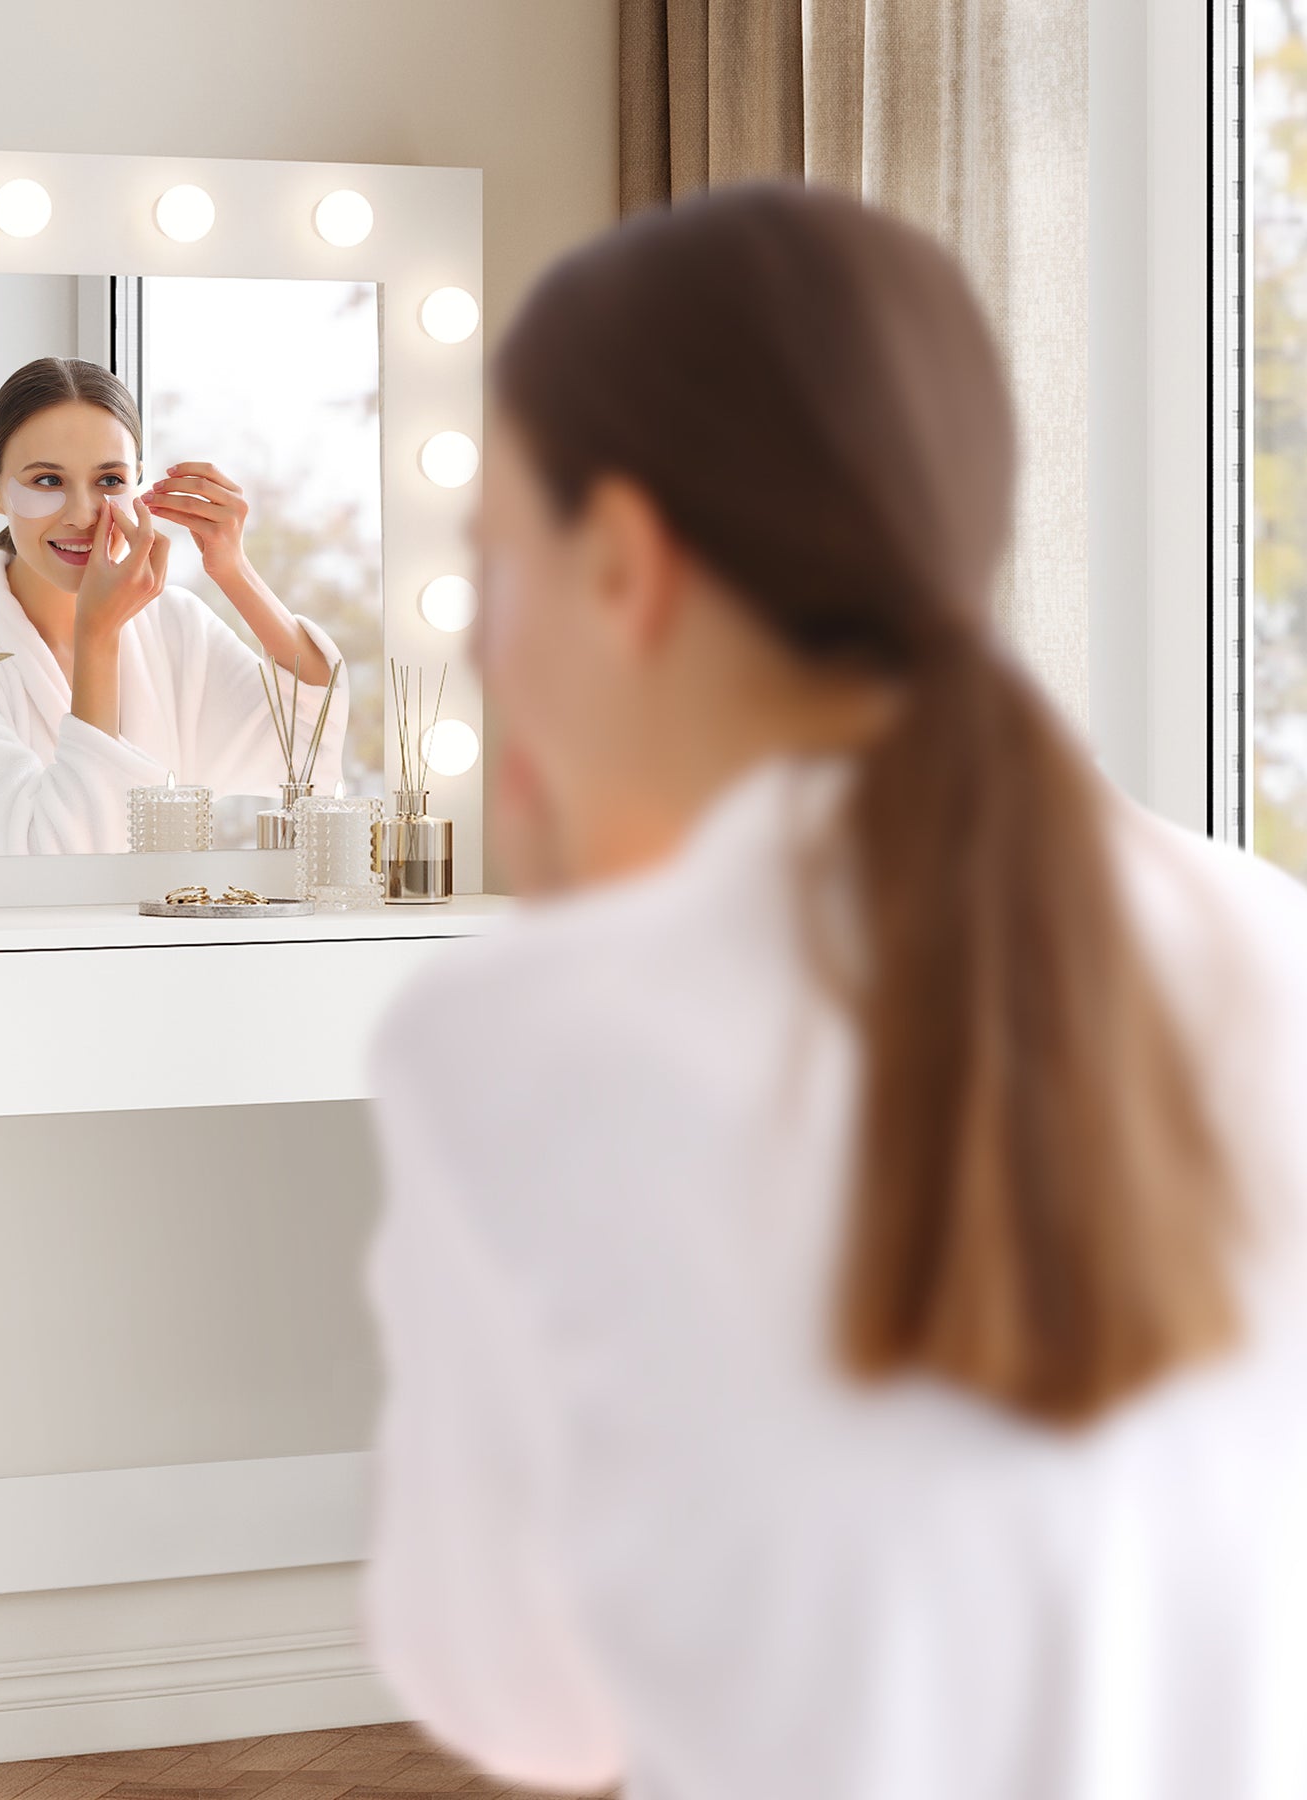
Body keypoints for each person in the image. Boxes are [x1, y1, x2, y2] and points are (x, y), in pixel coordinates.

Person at [360, 182, 1307, 1800]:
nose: (480, 645)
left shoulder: (519, 1046)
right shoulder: (1262, 938)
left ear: (623, 565)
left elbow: (518, 1700)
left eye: (488, 564)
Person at [0, 357, 346, 854]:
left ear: (139, 483)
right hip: (9, 933)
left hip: (166, 933)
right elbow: (55, 854)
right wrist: (96, 636)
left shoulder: (172, 621)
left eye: (109, 482)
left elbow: (308, 741)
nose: (82, 514)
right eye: (48, 481)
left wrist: (233, 571)